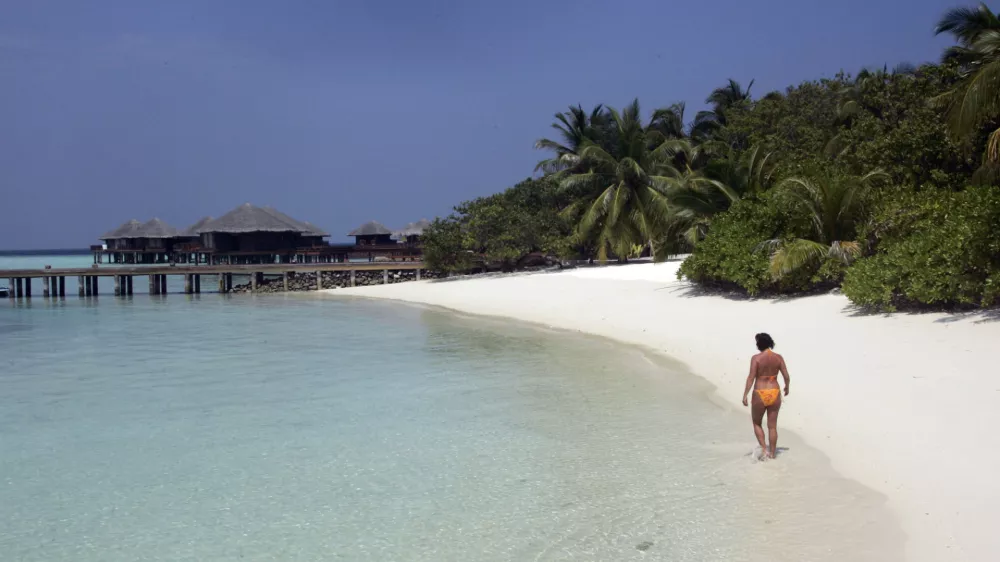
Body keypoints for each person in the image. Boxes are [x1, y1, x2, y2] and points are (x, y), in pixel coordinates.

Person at [741, 333, 790, 459]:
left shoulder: (756, 358)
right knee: (772, 426)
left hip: (760, 392)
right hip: (774, 391)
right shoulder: (778, 358)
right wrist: (787, 386)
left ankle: (764, 450)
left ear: (759, 344)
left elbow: (751, 377)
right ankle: (772, 454)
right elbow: (786, 375)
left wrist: (745, 394)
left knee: (757, 423)